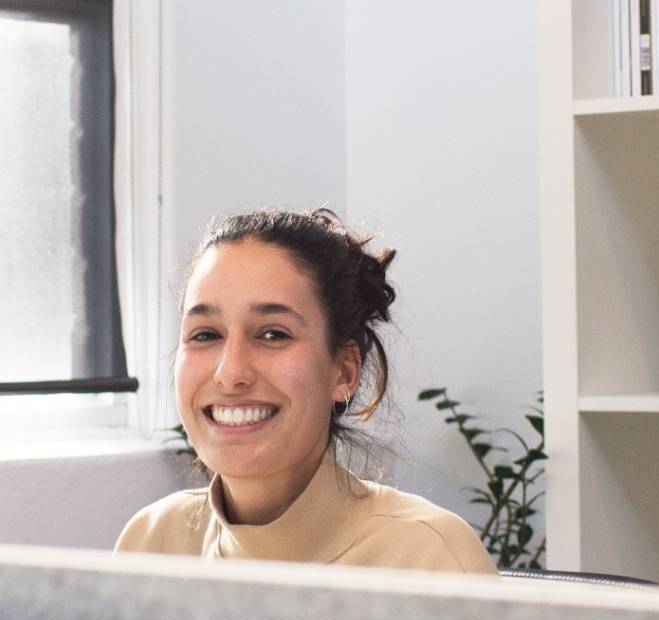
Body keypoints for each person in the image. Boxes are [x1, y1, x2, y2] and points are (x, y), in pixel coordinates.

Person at [115, 208, 497, 575]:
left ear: (344, 371)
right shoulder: (151, 542)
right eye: (206, 335)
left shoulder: (429, 557)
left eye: (272, 334)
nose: (229, 374)